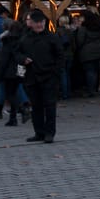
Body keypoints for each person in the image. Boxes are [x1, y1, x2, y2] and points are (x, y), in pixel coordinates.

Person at [14, 9, 64, 144]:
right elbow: (17, 54)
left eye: (42, 22)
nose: (39, 25)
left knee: (49, 106)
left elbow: (60, 56)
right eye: (37, 22)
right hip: (32, 77)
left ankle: (49, 133)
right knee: (36, 106)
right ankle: (39, 132)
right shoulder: (25, 38)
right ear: (32, 24)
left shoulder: (52, 37)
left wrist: (56, 73)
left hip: (49, 76)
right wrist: (23, 59)